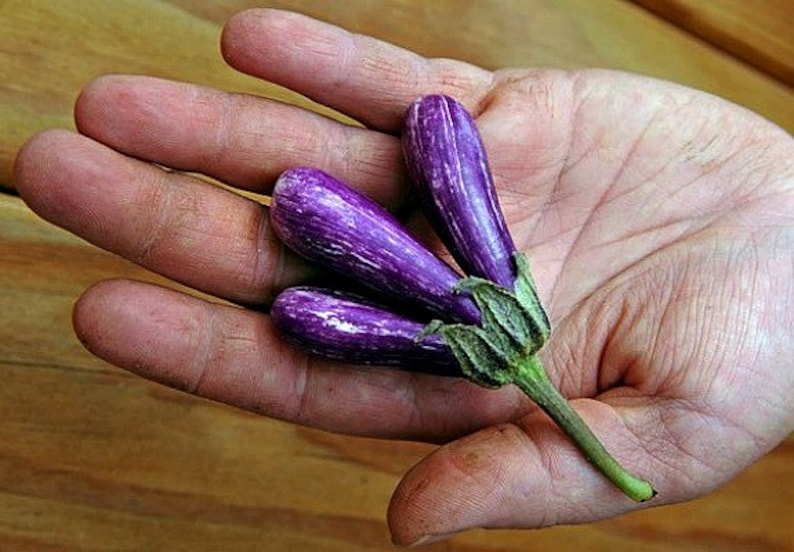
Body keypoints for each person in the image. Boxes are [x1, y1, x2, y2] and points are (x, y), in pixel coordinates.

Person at [13, 8, 794, 547]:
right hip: (477, 300)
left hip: (476, 302)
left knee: (304, 299)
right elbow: (433, 130)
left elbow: (315, 293)